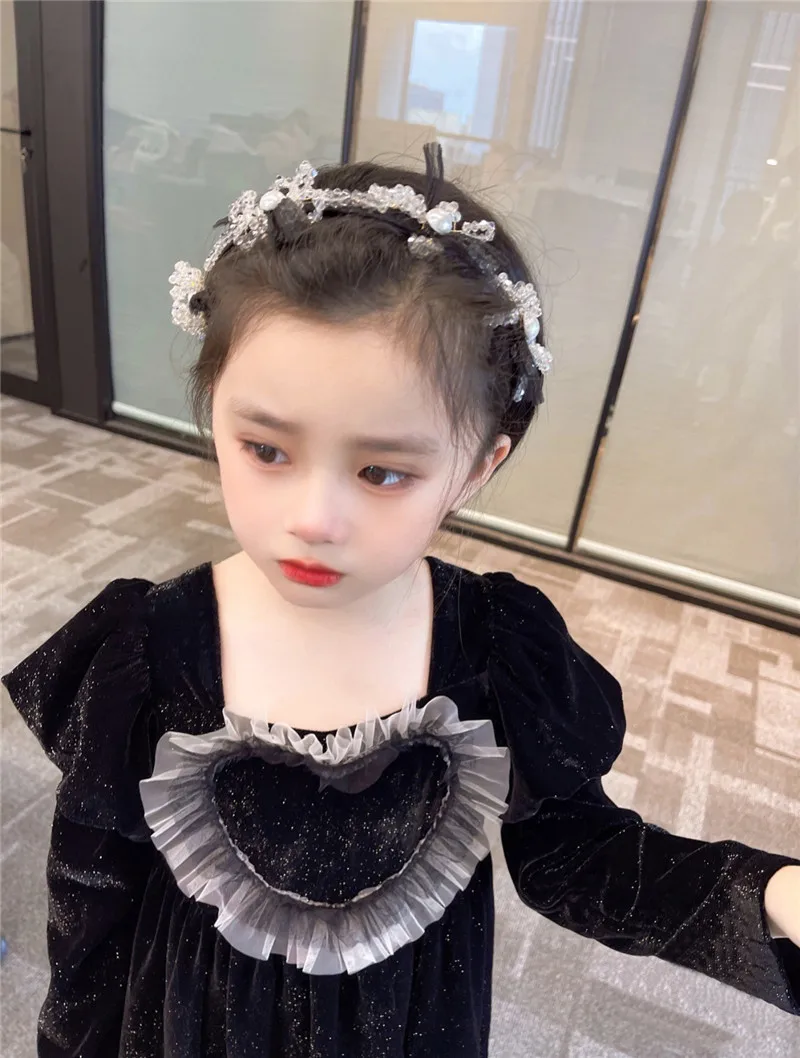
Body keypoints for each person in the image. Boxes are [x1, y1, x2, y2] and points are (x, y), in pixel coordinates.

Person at [3, 145, 798, 1058]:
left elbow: (580, 857)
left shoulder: (494, 645)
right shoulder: (142, 651)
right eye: (266, 450)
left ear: (479, 467)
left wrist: (769, 894)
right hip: (189, 1021)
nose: (313, 520)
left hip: (415, 1023)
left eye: (382, 472)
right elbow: (90, 900)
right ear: (214, 406)